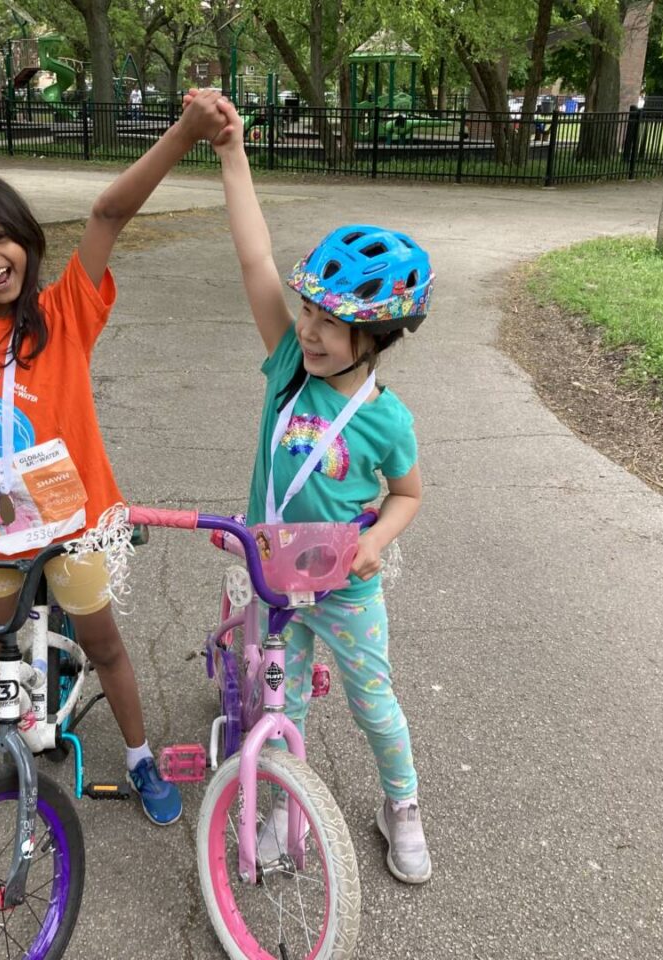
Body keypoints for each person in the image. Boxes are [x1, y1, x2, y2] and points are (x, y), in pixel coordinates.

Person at [0, 89, 229, 824]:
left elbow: (109, 213)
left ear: (25, 238)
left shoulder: (67, 311)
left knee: (105, 646)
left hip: (73, 524)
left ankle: (140, 761)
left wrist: (186, 132)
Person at [207, 96, 433, 883]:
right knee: (281, 704)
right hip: (273, 576)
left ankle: (399, 804)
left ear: (373, 339)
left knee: (375, 704)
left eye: (328, 324)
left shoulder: (385, 420)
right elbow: (254, 259)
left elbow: (407, 494)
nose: (308, 329)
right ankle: (279, 809)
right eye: (307, 311)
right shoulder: (286, 369)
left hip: (342, 585)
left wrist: (375, 543)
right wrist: (233, 153)